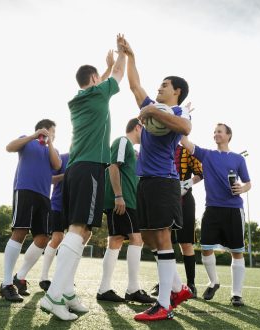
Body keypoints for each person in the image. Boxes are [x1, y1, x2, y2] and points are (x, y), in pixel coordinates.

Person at [39, 35, 127, 321]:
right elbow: (117, 76)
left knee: (83, 231)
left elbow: (100, 81)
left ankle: (65, 292)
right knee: (78, 229)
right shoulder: (99, 93)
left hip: (78, 169)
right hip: (89, 167)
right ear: (93, 79)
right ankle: (53, 296)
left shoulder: (79, 98)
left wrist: (103, 69)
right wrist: (121, 55)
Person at [121, 37, 193, 322]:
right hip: (145, 182)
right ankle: (178, 288)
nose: (159, 87)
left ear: (176, 92)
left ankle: (164, 305)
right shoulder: (152, 104)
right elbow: (134, 86)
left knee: (162, 238)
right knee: (149, 237)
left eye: (165, 85)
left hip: (164, 181)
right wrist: (130, 56)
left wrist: (151, 111)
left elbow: (185, 127)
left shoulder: (177, 111)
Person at [180, 123, 251, 307]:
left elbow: (248, 183)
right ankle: (214, 282)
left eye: (219, 131)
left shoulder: (238, 159)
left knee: (237, 253)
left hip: (234, 210)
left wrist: (242, 188)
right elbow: (184, 140)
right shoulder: (207, 155)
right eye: (214, 132)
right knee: (205, 248)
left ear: (228, 135)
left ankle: (236, 294)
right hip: (212, 208)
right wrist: (183, 118)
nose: (215, 134)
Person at [0, 119, 61, 302]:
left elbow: (56, 165)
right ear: (43, 129)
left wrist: (51, 142)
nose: (54, 134)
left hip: (43, 196)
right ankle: (6, 284)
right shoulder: (27, 141)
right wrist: (35, 136)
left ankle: (19, 277)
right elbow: (9, 147)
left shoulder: (53, 150)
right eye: (52, 131)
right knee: (20, 232)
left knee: (43, 238)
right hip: (25, 190)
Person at [96, 118, 155, 304]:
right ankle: (133, 289)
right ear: (138, 127)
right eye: (144, 129)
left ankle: (104, 289)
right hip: (123, 201)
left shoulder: (134, 150)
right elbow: (113, 166)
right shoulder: (122, 141)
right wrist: (118, 196)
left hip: (128, 201)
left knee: (116, 240)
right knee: (136, 239)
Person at [151, 144, 203, 298]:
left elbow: (201, 172)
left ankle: (191, 284)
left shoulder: (187, 149)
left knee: (186, 243)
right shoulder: (160, 148)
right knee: (164, 242)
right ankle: (165, 282)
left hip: (185, 201)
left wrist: (187, 183)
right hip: (164, 200)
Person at [39, 152, 69, 291]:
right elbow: (49, 179)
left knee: (73, 241)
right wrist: (67, 175)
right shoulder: (62, 158)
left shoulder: (86, 160)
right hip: (58, 205)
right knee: (57, 238)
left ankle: (65, 279)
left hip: (76, 207)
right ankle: (44, 278)